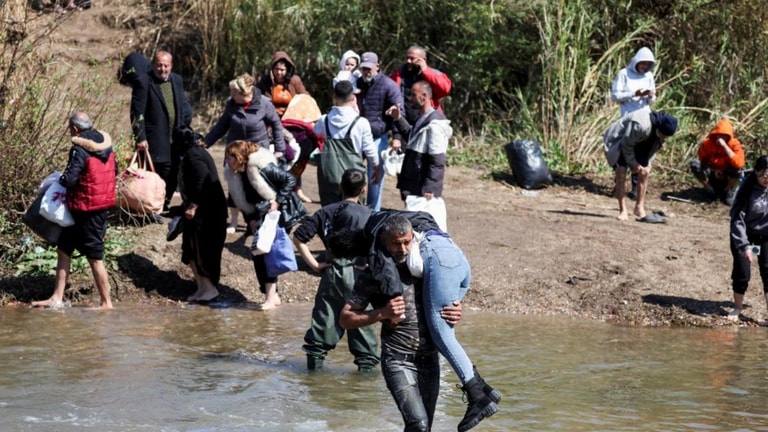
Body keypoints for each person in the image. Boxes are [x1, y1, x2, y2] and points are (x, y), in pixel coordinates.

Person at [339, 215, 498, 432]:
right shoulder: (374, 273)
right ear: (384, 241)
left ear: (413, 238)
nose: (403, 249)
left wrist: (456, 307)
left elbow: (446, 296)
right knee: (418, 425)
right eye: (396, 243)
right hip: (398, 360)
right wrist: (382, 313)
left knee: (425, 427)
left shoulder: (427, 267)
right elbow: (345, 319)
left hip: (430, 361)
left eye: (407, 242)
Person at [293, 169, 379, 371]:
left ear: (340, 187)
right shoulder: (370, 215)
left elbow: (298, 238)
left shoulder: (325, 212)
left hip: (332, 274)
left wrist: (315, 265)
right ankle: (363, 384)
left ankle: (313, 378)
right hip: (360, 276)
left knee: (320, 335)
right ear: (363, 189)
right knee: (364, 340)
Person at [32, 112, 116, 309]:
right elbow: (115, 171)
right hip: (92, 206)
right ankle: (56, 297)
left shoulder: (79, 149)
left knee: (94, 256)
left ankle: (106, 303)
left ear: (76, 129)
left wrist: (59, 180)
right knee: (64, 247)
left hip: (87, 209)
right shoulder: (107, 144)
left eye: (70, 128)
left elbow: (69, 179)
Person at [205, 73, 286, 234]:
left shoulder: (264, 103)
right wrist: (206, 142)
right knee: (234, 187)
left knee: (257, 187)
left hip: (257, 152)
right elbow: (221, 126)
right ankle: (234, 221)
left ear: (244, 94)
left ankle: (257, 220)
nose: (232, 96)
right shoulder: (231, 104)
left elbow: (276, 125)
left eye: (234, 94)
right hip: (235, 152)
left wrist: (279, 149)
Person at [224, 140, 297, 310]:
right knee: (259, 254)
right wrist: (250, 219)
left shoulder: (262, 166)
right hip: (260, 214)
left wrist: (277, 201)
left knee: (265, 254)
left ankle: (271, 298)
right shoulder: (237, 174)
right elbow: (245, 201)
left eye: (229, 158)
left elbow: (290, 180)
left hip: (278, 213)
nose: (226, 161)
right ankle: (272, 296)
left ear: (239, 157)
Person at [130, 50, 193, 220]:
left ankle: (163, 204)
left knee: (174, 171)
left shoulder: (176, 80)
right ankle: (152, 208)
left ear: (171, 66)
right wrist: (140, 137)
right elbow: (137, 113)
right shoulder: (144, 82)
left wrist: (184, 126)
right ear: (153, 65)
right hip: (155, 139)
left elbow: (182, 106)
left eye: (166, 65)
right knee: (158, 172)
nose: (162, 69)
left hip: (176, 137)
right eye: (159, 65)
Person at [175, 127, 228, 303]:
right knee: (191, 249)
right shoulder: (196, 152)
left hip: (207, 213)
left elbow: (201, 180)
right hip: (206, 210)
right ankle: (202, 288)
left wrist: (193, 206)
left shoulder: (193, 156)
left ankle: (209, 289)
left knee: (201, 250)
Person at [603, 110, 679, 222]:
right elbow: (626, 145)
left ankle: (639, 207)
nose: (663, 137)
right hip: (620, 140)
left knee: (645, 172)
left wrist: (647, 163)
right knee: (621, 171)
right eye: (662, 135)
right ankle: (623, 210)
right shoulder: (641, 125)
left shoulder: (662, 131)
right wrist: (634, 164)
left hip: (638, 142)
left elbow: (654, 148)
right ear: (659, 128)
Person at [313, 81, 380, 206]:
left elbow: (315, 133)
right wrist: (376, 168)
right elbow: (370, 151)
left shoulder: (324, 120)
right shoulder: (361, 123)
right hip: (354, 180)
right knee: (354, 213)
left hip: (329, 178)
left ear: (334, 98)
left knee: (330, 213)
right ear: (353, 98)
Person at [388, 81, 452, 203]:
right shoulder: (423, 118)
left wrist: (430, 187)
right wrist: (398, 118)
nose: (410, 98)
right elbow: (412, 137)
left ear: (424, 96)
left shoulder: (435, 125)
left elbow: (437, 160)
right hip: (414, 182)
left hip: (422, 188)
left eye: (413, 95)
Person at [356, 51, 404, 211]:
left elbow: (398, 112)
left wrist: (396, 137)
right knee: (353, 175)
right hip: (357, 137)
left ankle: (373, 213)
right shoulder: (357, 83)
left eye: (369, 68)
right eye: (363, 68)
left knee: (375, 179)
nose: (366, 72)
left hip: (377, 137)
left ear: (377, 66)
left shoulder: (389, 85)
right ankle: (356, 211)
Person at [611, 47, 657, 200]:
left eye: (647, 64)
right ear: (636, 61)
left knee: (641, 152)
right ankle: (619, 186)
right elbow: (615, 96)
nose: (644, 66)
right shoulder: (624, 74)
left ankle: (636, 187)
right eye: (642, 63)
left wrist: (649, 96)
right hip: (628, 118)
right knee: (624, 151)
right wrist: (633, 94)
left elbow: (652, 100)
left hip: (644, 119)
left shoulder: (649, 76)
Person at [728, 155, 768, 321]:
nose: (766, 179)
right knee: (742, 272)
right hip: (745, 235)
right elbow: (737, 219)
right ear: (756, 172)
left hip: (765, 235)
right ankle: (737, 307)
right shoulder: (746, 189)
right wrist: (744, 246)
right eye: (763, 175)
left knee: (767, 271)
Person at [390, 45, 452, 125]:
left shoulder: (432, 74)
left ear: (424, 60)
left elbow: (445, 89)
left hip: (428, 122)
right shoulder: (399, 75)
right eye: (407, 58)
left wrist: (426, 71)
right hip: (404, 123)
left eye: (412, 58)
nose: (408, 61)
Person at [690, 118, 745, 205]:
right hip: (714, 173)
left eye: (724, 136)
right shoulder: (707, 143)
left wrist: (725, 146)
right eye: (718, 135)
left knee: (736, 168)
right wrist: (714, 170)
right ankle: (709, 189)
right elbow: (702, 161)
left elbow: (739, 164)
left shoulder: (734, 144)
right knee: (695, 163)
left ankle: (729, 191)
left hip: (728, 176)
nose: (720, 138)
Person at [256, 51, 309, 119]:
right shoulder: (265, 81)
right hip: (270, 118)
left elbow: (306, 98)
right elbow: (255, 96)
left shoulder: (295, 81)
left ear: (287, 70)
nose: (279, 72)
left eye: (282, 70)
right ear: (272, 68)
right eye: (276, 69)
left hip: (292, 118)